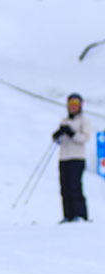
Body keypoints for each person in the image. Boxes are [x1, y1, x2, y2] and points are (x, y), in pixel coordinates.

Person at [52, 92, 90, 222]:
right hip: (64, 158)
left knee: (75, 186)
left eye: (76, 104)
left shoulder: (84, 121)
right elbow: (60, 141)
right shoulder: (65, 121)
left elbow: (85, 138)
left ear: (80, 106)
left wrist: (72, 133)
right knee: (65, 187)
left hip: (77, 157)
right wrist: (58, 135)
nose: (73, 106)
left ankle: (80, 214)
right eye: (70, 104)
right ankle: (67, 215)